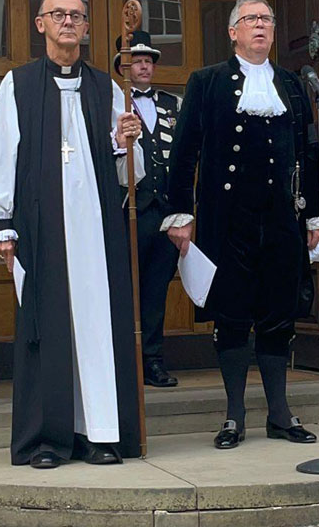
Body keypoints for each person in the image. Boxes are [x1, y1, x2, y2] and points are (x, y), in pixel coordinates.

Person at [0, 0, 145, 469]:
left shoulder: (106, 87)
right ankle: (49, 440)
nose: (69, 22)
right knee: (48, 330)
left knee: (96, 327)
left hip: (97, 231)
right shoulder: (19, 84)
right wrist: (1, 224)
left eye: (77, 15)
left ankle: (101, 434)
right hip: (42, 230)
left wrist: (126, 141)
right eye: (59, 14)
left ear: (87, 28)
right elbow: (1, 154)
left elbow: (129, 172)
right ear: (41, 24)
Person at [163, 0, 319, 449]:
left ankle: (279, 414)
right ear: (233, 31)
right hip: (226, 218)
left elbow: (309, 152)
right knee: (232, 316)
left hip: (282, 219)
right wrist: (180, 214)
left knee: (278, 316)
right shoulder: (207, 81)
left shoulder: (295, 85)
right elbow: (185, 152)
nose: (260, 25)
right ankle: (234, 416)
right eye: (251, 19)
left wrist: (317, 213)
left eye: (267, 19)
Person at [112, 30, 181, 388]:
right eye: (136, 60)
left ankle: (153, 361)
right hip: (129, 211)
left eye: (147, 60)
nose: (143, 66)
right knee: (126, 287)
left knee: (156, 289)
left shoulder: (172, 103)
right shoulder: (113, 103)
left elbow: (185, 157)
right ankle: (125, 362)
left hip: (165, 211)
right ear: (122, 66)